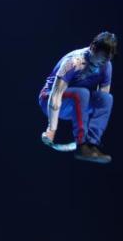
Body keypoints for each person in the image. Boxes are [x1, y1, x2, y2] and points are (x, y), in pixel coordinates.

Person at [39, 31, 117, 164]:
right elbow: (55, 95)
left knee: (106, 98)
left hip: (76, 103)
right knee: (82, 93)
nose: (105, 61)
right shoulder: (73, 62)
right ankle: (81, 144)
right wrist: (51, 129)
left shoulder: (106, 65)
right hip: (49, 100)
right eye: (103, 56)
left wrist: (91, 130)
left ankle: (91, 145)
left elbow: (100, 101)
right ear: (93, 48)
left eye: (108, 58)